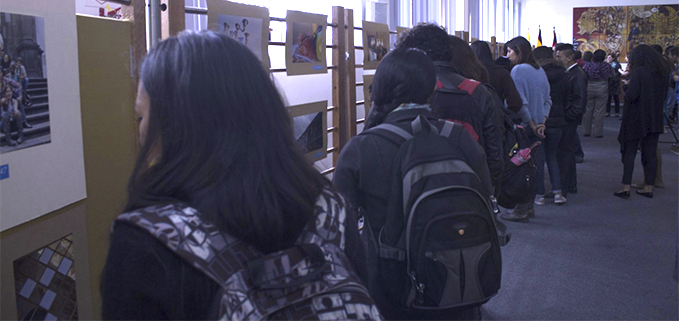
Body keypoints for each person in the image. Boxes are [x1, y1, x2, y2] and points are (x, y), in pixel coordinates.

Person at [101, 31, 379, 320]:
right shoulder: (329, 206)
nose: (140, 131)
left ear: (175, 128)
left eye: (142, 116)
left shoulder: (147, 243)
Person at [333, 46, 491, 320]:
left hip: (388, 288)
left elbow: (339, 228)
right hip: (457, 279)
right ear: (433, 88)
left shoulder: (361, 148)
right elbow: (486, 196)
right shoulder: (459, 138)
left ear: (378, 89)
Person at [394, 23, 503, 191]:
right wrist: (489, 189)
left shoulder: (407, 90)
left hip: (418, 186)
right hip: (470, 187)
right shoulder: (479, 92)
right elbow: (494, 152)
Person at [500, 36, 551, 221]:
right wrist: (541, 123)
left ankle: (522, 209)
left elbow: (519, 102)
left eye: (510, 51)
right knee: (532, 167)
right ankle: (527, 207)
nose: (508, 55)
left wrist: (532, 124)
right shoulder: (539, 70)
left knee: (519, 169)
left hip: (524, 126)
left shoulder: (518, 70)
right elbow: (548, 100)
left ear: (519, 51)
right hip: (538, 127)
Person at [615, 45, 669, 199]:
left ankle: (626, 186)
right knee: (650, 152)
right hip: (654, 116)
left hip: (635, 116)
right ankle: (649, 186)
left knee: (629, 151)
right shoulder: (663, 72)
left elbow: (632, 95)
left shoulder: (638, 72)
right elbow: (664, 96)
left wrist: (626, 87)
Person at [533, 46, 567, 204]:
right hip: (558, 119)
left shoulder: (537, 75)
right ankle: (558, 193)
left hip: (540, 120)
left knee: (538, 158)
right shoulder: (563, 73)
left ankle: (539, 195)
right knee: (552, 156)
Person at [555, 43, 588, 199]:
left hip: (569, 120)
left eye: (559, 56)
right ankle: (570, 185)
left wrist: (568, 117)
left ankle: (565, 186)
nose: (556, 58)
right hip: (568, 118)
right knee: (567, 153)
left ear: (569, 58)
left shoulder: (577, 75)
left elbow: (579, 101)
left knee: (565, 153)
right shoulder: (570, 73)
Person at [471, 40, 523, 114]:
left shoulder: (469, 73)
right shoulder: (502, 72)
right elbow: (516, 102)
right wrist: (504, 114)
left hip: (473, 118)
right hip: (496, 118)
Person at [582, 49, 613, 138]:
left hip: (590, 87)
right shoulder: (607, 66)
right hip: (602, 87)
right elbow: (612, 75)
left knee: (588, 110)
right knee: (600, 111)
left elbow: (584, 75)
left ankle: (586, 131)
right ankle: (598, 132)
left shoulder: (588, 65)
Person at [605, 53, 622, 117]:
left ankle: (617, 112)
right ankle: (607, 111)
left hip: (614, 83)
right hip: (609, 83)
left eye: (609, 58)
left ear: (613, 58)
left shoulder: (616, 65)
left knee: (616, 98)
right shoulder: (606, 65)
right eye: (607, 58)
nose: (608, 59)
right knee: (608, 98)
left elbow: (619, 73)